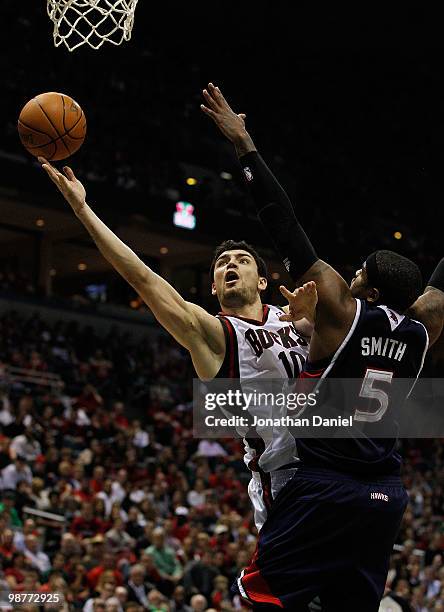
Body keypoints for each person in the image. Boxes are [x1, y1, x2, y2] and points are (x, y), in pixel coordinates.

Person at [201, 81, 444, 610]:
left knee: (256, 595)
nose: (349, 275)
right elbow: (436, 292)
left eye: (357, 273)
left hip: (324, 482)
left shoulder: (339, 310)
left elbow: (283, 222)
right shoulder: (425, 329)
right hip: (385, 494)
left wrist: (244, 145)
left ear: (370, 291)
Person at [38, 157, 317, 533]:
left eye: (242, 260)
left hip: (334, 464)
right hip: (284, 481)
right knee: (291, 591)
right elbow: (142, 278)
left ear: (263, 281)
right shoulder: (213, 334)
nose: (230, 264)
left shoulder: (297, 314)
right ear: (214, 287)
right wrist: (82, 209)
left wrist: (317, 321)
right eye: (222, 264)